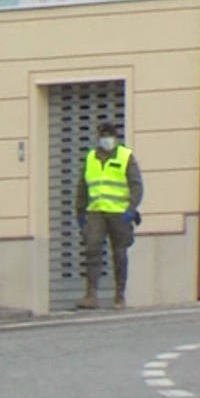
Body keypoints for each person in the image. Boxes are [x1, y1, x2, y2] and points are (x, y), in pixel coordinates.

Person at [74, 120, 143, 310]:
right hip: (96, 211)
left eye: (109, 136)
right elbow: (82, 187)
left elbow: (136, 186)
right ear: (97, 138)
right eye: (103, 136)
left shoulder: (125, 156)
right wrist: (80, 211)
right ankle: (91, 295)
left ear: (115, 137)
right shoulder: (90, 158)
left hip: (119, 214)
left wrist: (131, 209)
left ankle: (119, 296)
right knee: (92, 249)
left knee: (119, 253)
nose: (106, 139)